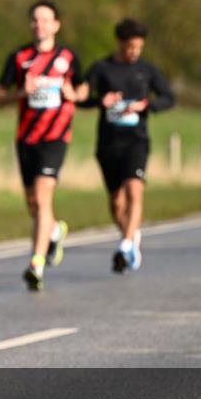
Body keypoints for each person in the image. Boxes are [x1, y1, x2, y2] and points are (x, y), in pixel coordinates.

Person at [0, 0, 88, 291]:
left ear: (56, 24)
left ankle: (36, 262)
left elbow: (84, 89)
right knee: (33, 204)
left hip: (56, 137)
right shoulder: (19, 57)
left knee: (43, 193)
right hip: (26, 138)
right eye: (35, 20)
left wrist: (74, 93)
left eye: (45, 20)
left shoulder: (68, 57)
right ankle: (55, 230)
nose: (40, 25)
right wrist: (21, 92)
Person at [83, 19, 175, 273]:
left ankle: (125, 246)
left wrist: (146, 106)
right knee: (116, 203)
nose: (134, 52)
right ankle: (131, 236)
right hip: (108, 143)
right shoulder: (102, 69)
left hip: (137, 140)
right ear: (120, 43)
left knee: (135, 190)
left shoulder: (147, 70)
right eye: (130, 47)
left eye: (139, 47)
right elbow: (80, 97)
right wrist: (102, 101)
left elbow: (169, 98)